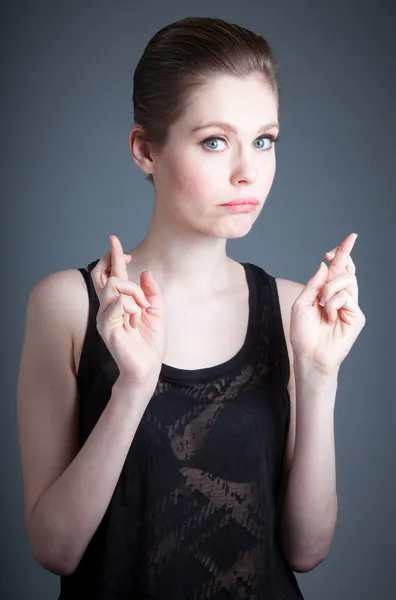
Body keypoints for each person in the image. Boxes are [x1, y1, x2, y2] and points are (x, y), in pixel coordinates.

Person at [17, 16, 365, 600]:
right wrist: (133, 385)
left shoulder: (288, 309)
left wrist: (319, 374)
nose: (248, 171)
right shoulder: (68, 306)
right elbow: (55, 549)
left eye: (264, 140)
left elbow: (308, 550)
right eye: (214, 141)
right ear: (145, 150)